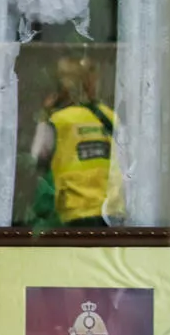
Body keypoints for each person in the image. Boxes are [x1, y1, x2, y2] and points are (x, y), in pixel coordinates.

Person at [30, 56, 123, 228]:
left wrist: (44, 115)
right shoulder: (110, 117)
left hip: (75, 213)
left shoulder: (59, 121)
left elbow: (37, 158)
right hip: (112, 212)